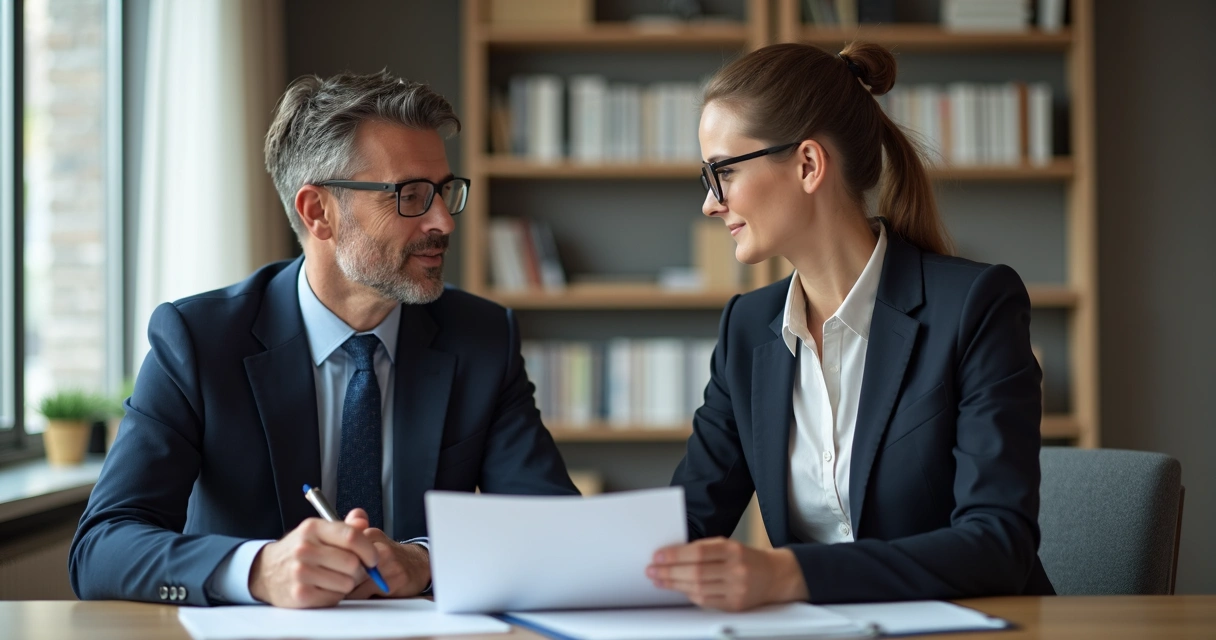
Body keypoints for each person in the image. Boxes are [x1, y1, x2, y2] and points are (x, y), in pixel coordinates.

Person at [70, 71, 578, 608]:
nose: (443, 222)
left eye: (444, 191)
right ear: (318, 212)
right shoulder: (198, 341)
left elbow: (555, 531)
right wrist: (257, 569)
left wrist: (426, 560)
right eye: (410, 195)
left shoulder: (482, 338)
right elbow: (101, 548)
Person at [646, 42, 1056, 610]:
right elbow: (685, 525)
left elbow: (998, 546)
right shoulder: (747, 329)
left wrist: (791, 574)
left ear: (808, 165)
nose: (711, 204)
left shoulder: (975, 306)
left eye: (724, 172)